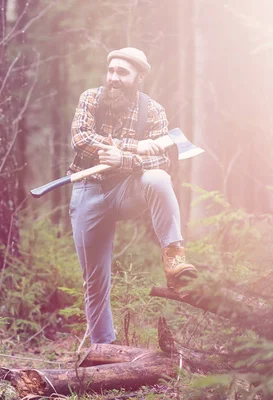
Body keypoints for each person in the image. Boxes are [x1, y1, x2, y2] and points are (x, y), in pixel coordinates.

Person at [68, 47, 196, 345]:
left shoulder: (153, 111)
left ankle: (174, 257)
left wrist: (122, 157)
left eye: (122, 72)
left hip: (127, 191)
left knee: (158, 178)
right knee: (94, 281)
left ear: (139, 76)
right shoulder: (90, 97)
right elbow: (80, 139)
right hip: (88, 190)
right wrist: (133, 148)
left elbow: (161, 162)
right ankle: (105, 348)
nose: (113, 78)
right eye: (110, 70)